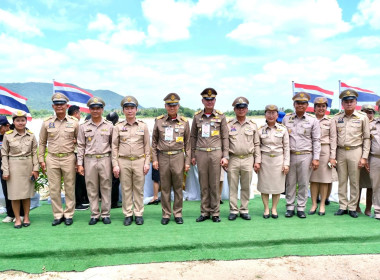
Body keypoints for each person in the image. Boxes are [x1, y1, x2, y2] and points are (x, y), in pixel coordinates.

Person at [39, 93, 79, 226]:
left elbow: (80, 143)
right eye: (57, 104)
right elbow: (42, 142)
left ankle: (68, 214)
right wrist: (41, 159)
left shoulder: (74, 122)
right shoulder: (47, 123)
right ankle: (57, 215)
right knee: (54, 188)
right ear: (53, 106)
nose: (59, 106)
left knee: (69, 187)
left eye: (62, 104)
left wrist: (78, 160)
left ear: (67, 106)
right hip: (52, 158)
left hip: (68, 158)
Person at [190, 88, 229, 223]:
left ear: (215, 101)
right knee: (203, 184)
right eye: (207, 99)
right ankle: (204, 212)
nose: (209, 102)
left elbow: (225, 137)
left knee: (214, 183)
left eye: (211, 99)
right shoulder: (197, 117)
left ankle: (215, 213)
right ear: (202, 101)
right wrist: (192, 155)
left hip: (215, 153)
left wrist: (225, 156)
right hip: (200, 153)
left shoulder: (221, 116)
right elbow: (193, 136)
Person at [152, 93, 190, 225]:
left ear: (178, 106)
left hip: (178, 156)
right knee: (165, 187)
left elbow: (188, 145)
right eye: (169, 105)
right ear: (165, 106)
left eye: (174, 105)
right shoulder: (159, 121)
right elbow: (154, 143)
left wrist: (187, 162)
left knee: (178, 187)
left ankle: (178, 213)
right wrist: (155, 159)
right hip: (162, 156)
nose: (172, 107)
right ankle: (166, 214)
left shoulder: (184, 122)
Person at [112, 96, 150, 226]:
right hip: (124, 161)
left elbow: (147, 146)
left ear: (136, 109)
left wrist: (146, 162)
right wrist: (115, 164)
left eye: (132, 108)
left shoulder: (143, 126)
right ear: (123, 110)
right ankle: (128, 214)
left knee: (139, 189)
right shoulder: (118, 127)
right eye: (127, 108)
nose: (129, 111)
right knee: (126, 189)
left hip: (139, 160)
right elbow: (114, 147)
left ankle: (138, 213)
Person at [282, 92, 320, 218]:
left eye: (303, 103)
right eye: (298, 103)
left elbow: (316, 140)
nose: (300, 105)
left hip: (306, 155)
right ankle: (290, 207)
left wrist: (316, 158)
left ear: (307, 105)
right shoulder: (286, 119)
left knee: (304, 183)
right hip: (291, 155)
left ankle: (301, 207)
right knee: (290, 182)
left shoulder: (312, 120)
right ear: (294, 104)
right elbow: (283, 139)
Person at [332, 89, 370, 218]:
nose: (349, 104)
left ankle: (353, 207)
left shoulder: (362, 117)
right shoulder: (337, 118)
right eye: (346, 101)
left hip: (356, 151)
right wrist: (332, 156)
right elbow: (333, 139)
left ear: (356, 103)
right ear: (342, 103)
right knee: (342, 180)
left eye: (351, 101)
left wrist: (364, 157)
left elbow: (366, 138)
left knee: (354, 181)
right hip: (341, 151)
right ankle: (343, 206)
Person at [77, 97, 113, 225]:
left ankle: (105, 214)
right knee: (91, 188)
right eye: (93, 108)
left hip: (105, 159)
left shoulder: (109, 125)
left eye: (98, 108)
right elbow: (81, 146)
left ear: (102, 109)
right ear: (89, 110)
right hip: (90, 160)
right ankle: (94, 214)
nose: (95, 111)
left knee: (106, 187)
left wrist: (114, 164)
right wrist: (79, 164)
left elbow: (113, 146)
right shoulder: (83, 126)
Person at [1, 110, 39, 228]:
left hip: (27, 166)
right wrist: (5, 170)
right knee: (14, 195)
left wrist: (36, 169)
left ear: (26, 121)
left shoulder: (31, 135)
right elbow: (4, 154)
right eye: (18, 120)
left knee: (27, 194)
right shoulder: (8, 136)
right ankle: (17, 219)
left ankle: (26, 217)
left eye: (23, 120)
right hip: (14, 167)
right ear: (14, 122)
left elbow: (34, 153)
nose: (20, 123)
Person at [226, 97, 260, 221]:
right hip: (233, 158)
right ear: (234, 109)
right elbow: (225, 144)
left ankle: (244, 210)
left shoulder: (253, 125)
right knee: (233, 186)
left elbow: (257, 144)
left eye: (243, 108)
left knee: (246, 186)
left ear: (247, 109)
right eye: (238, 108)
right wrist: (225, 158)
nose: (241, 110)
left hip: (248, 158)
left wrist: (257, 161)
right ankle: (233, 210)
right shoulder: (228, 125)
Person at [257, 105, 290, 219]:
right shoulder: (260, 130)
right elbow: (257, 147)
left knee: (277, 186)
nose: (271, 116)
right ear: (265, 115)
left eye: (273, 113)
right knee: (264, 186)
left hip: (278, 160)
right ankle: (266, 208)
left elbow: (287, 148)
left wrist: (286, 164)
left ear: (277, 115)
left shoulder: (283, 129)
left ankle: (274, 208)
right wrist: (257, 162)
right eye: (268, 113)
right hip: (265, 160)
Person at [308, 97, 337, 216]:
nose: (321, 108)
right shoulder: (309, 120)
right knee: (313, 179)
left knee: (325, 179)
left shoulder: (331, 121)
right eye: (318, 106)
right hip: (311, 150)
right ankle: (314, 203)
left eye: (323, 106)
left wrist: (332, 156)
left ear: (326, 108)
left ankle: (323, 204)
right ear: (314, 108)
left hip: (325, 150)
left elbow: (333, 139)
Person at [0, 116, 25, 223]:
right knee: (7, 190)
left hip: (18, 165)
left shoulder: (18, 133)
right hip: (3, 166)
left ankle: (22, 214)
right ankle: (10, 214)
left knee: (20, 190)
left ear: (7, 126)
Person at [68, 105, 89, 211]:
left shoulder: (68, 122)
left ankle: (80, 200)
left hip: (71, 154)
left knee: (77, 179)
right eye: (79, 113)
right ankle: (78, 202)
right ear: (76, 113)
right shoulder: (75, 123)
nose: (80, 116)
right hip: (75, 153)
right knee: (78, 180)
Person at [356, 104, 374, 216]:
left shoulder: (376, 124)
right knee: (357, 183)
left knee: (371, 185)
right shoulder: (358, 122)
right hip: (359, 156)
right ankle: (356, 206)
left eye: (370, 112)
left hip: (373, 158)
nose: (368, 114)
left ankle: (368, 208)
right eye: (365, 112)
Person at [106, 112, 122, 209]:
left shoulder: (106, 127)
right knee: (115, 181)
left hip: (107, 157)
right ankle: (113, 202)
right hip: (116, 157)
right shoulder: (117, 127)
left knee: (107, 180)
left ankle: (108, 201)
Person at [369, 99, 380, 221]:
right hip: (375, 159)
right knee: (376, 185)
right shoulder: (372, 125)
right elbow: (367, 143)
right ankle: (378, 210)